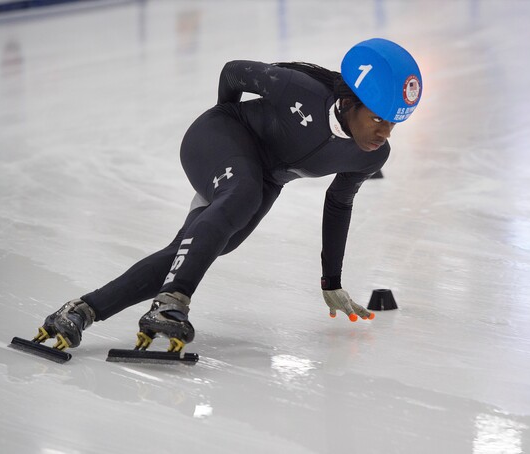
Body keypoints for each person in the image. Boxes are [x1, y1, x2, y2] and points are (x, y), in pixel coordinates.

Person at [33, 38, 423, 353]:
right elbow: (233, 73)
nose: (384, 133)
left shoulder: (370, 155)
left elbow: (339, 204)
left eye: (393, 124)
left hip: (263, 179)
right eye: (377, 119)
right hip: (219, 138)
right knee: (242, 195)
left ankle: (80, 311)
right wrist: (225, 121)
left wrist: (331, 280)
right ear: (350, 101)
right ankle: (173, 303)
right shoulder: (297, 90)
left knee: (204, 246)